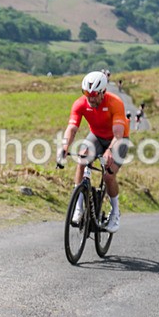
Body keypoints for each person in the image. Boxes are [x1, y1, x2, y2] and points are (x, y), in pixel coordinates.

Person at [56, 70, 130, 233]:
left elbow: (118, 134)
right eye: (87, 93)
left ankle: (115, 212)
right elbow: (72, 128)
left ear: (103, 92)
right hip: (97, 136)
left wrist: (109, 151)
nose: (90, 98)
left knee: (108, 175)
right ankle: (78, 207)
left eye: (95, 94)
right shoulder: (80, 104)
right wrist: (64, 147)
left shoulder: (115, 103)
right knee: (82, 158)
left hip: (118, 139)